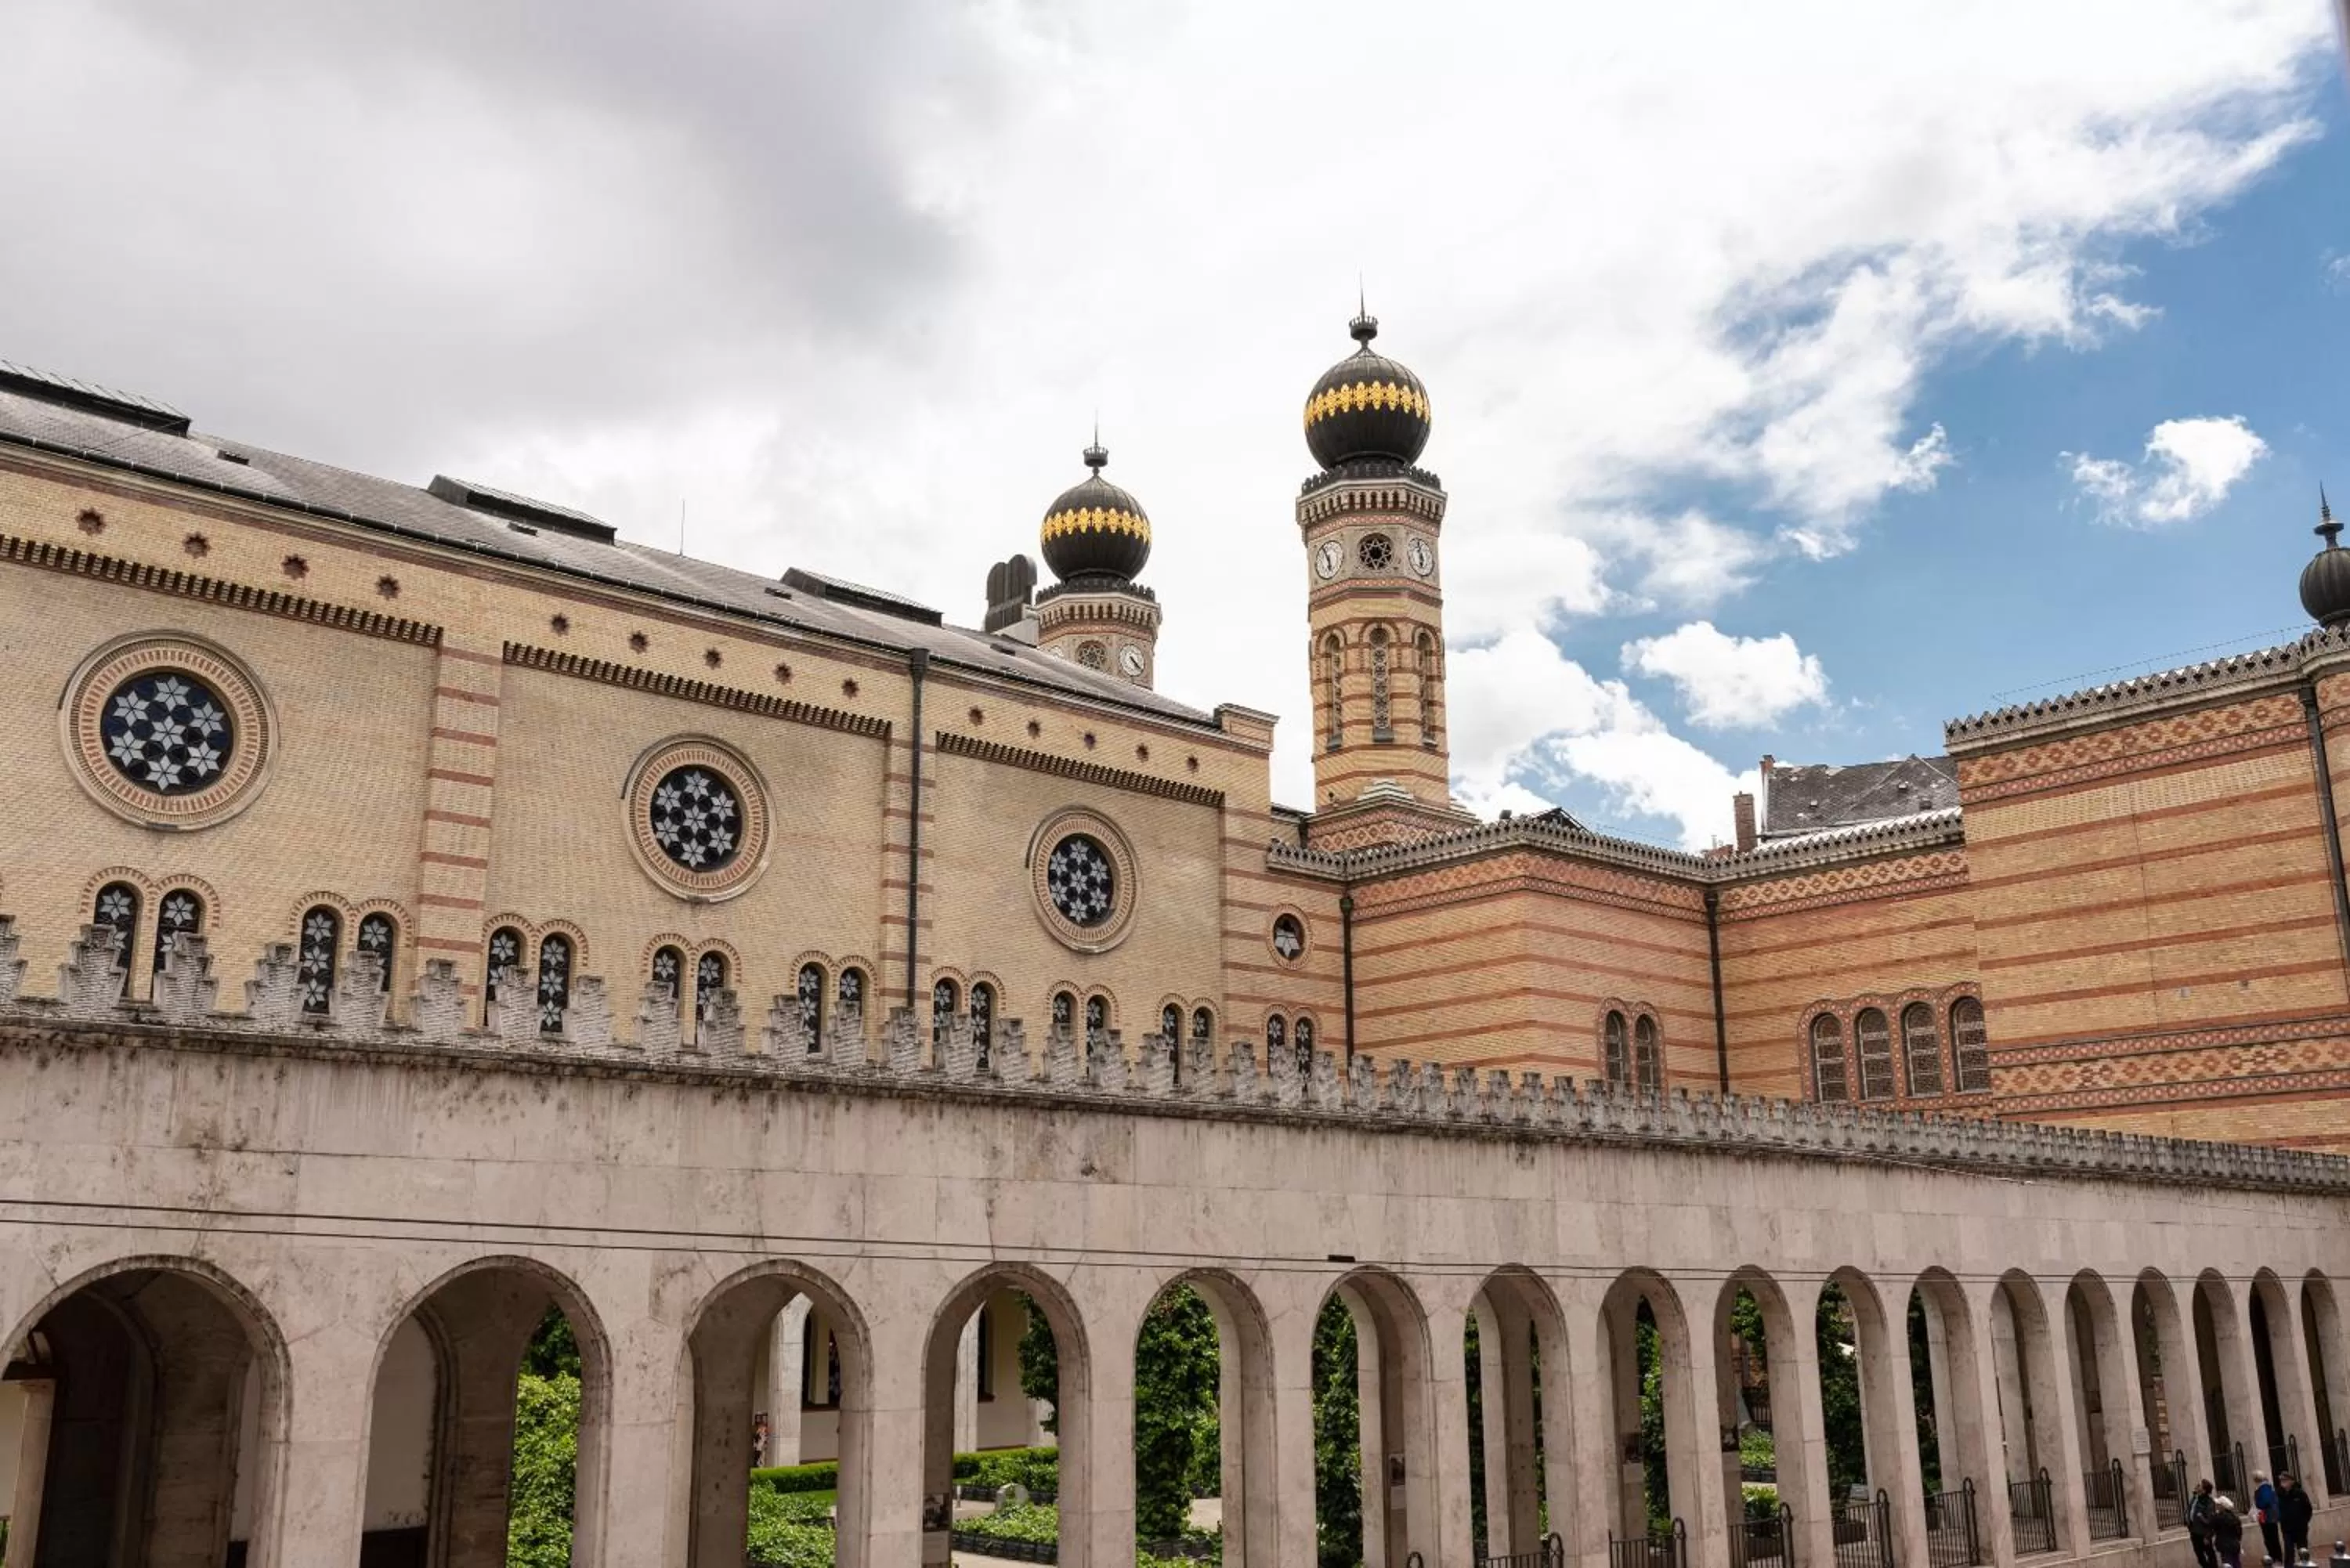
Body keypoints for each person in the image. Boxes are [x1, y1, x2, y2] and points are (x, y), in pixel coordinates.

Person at [2278, 1471, 2314, 1562]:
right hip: (2287, 1528)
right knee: (2289, 1551)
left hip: (2300, 1527)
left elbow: (2308, 1509)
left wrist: (2304, 1521)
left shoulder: (2300, 1494)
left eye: (2285, 1480)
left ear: (2291, 1481)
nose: (2283, 1482)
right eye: (2281, 1480)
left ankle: (2305, 1565)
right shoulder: (2279, 1494)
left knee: (2302, 1550)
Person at [2189, 1479, 2222, 1568]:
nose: (2197, 1486)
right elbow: (2190, 1511)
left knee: (2210, 1554)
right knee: (2200, 1557)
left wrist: (2208, 1536)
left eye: (2199, 1485)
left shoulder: (2209, 1502)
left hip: (2204, 1534)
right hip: (2194, 1531)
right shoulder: (2195, 1498)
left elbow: (2211, 1521)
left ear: (2204, 1490)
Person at [2255, 1470, 2283, 1565]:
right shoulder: (2267, 1488)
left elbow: (2264, 1503)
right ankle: (2275, 1557)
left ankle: (2275, 1557)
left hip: (2268, 1518)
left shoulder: (2264, 1488)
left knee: (2271, 1539)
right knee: (2271, 1539)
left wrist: (2258, 1505)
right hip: (2269, 1517)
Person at [2212, 1495, 2247, 1568]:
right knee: (2236, 1562)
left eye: (2218, 1505)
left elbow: (2213, 1527)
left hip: (2224, 1545)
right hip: (2235, 1544)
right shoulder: (2235, 1518)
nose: (2217, 1506)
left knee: (2227, 1564)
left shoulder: (2219, 1518)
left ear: (2222, 1506)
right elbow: (2239, 1532)